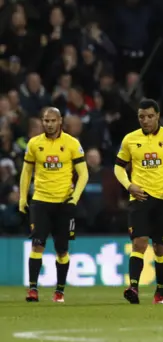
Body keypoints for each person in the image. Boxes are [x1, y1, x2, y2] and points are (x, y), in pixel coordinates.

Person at [114, 99, 163, 304]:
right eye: (141, 117)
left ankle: (160, 292)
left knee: (160, 248)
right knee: (139, 243)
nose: (145, 120)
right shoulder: (130, 140)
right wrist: (129, 185)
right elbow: (118, 167)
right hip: (140, 197)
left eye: (149, 116)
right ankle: (134, 288)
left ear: (157, 116)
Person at [19, 107, 89, 303]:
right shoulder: (34, 144)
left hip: (63, 203)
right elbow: (26, 172)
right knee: (37, 245)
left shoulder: (72, 143)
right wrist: (23, 198)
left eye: (52, 120)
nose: (48, 124)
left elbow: (84, 174)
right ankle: (33, 289)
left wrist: (74, 198)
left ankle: (60, 291)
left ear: (60, 121)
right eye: (45, 120)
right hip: (41, 201)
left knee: (62, 250)